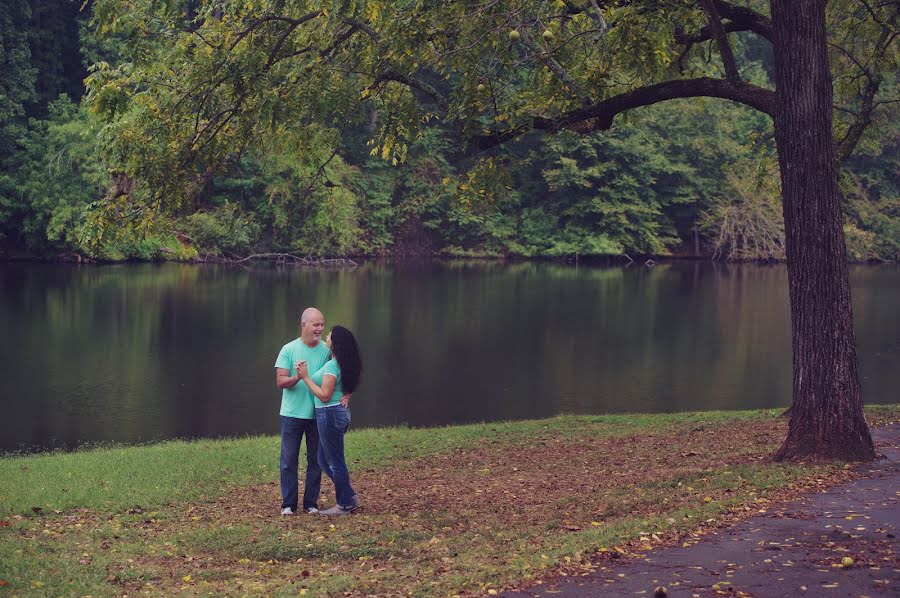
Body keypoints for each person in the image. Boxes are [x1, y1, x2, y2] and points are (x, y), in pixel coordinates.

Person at [297, 325, 363, 515]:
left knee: (335, 462)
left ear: (335, 343)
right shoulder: (341, 363)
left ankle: (344, 505)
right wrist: (348, 393)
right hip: (335, 413)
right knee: (323, 459)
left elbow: (325, 395)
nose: (326, 336)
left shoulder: (333, 366)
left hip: (330, 414)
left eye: (329, 335)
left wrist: (305, 377)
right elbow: (352, 380)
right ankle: (349, 496)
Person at [274, 307, 333, 515]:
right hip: (292, 414)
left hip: (318, 414)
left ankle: (311, 504)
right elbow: (280, 382)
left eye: (322, 324)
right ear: (304, 325)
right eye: (316, 324)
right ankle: (288, 504)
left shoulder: (327, 351)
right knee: (288, 460)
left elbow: (336, 376)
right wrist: (297, 377)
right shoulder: (288, 349)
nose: (320, 329)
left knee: (316, 461)